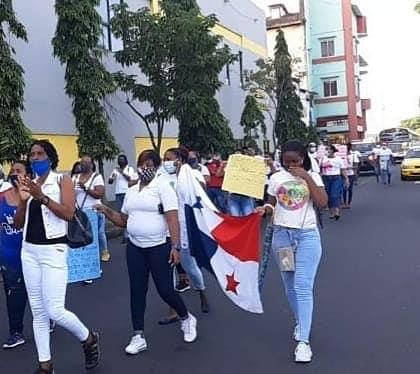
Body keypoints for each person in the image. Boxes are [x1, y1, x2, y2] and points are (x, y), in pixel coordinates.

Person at [96, 150, 197, 355]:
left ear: (157, 166)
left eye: (149, 164)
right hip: (135, 248)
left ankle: (186, 318)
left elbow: (172, 218)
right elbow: (124, 220)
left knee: (165, 290)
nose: (144, 168)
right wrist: (107, 212)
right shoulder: (132, 191)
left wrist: (175, 247)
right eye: (141, 164)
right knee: (137, 290)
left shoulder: (163, 187)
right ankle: (138, 335)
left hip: (159, 246)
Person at [14, 140, 100, 373]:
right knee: (39, 312)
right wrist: (23, 202)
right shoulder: (27, 184)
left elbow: (69, 213)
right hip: (29, 251)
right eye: (32, 154)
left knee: (54, 310)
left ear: (50, 158)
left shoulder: (62, 180)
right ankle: (45, 365)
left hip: (53, 251)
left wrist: (41, 196)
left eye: (40, 154)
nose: (35, 158)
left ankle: (88, 337)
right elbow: (18, 223)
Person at [256, 140, 328, 363]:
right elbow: (271, 204)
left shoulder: (313, 177)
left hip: (306, 236)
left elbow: (323, 202)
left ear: (303, 159)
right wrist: (264, 209)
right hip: (282, 238)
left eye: (295, 161)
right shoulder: (276, 178)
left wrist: (305, 176)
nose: (290, 166)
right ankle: (300, 321)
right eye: (286, 162)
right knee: (289, 284)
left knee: (302, 286)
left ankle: (304, 342)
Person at [160, 147, 210, 322]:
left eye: (169, 158)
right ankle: (173, 309)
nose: (165, 161)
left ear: (179, 160)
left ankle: (201, 291)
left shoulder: (191, 174)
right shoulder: (161, 177)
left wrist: (192, 182)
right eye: (164, 158)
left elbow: (202, 193)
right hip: (164, 227)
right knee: (168, 270)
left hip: (184, 227)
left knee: (190, 268)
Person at [0, 161, 30, 349]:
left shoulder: (34, 198)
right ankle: (16, 332)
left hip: (33, 253)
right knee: (13, 295)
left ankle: (48, 319)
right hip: (9, 255)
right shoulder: (1, 198)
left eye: (19, 171)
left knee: (38, 294)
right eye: (12, 171)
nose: (14, 174)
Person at [73, 156, 109, 263]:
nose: (83, 164)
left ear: (92, 165)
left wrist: (85, 188)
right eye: (82, 162)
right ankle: (87, 256)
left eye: (86, 163)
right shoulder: (75, 177)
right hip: (80, 212)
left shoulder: (96, 177)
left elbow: (99, 194)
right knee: (83, 235)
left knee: (99, 233)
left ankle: (104, 251)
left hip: (94, 211)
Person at [108, 154, 136, 243]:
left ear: (125, 160)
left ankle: (128, 234)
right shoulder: (115, 170)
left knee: (128, 213)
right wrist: (112, 177)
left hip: (127, 193)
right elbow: (110, 182)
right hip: (118, 193)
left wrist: (122, 172)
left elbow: (130, 179)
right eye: (119, 159)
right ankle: (125, 234)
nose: (121, 161)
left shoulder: (130, 169)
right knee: (121, 214)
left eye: (122, 159)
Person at [320, 145, 349, 220]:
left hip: (336, 178)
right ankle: (331, 212)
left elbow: (343, 170)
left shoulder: (339, 159)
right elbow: (319, 169)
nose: (327, 151)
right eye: (326, 150)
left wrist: (346, 179)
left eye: (329, 149)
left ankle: (337, 212)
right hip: (325, 178)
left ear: (333, 151)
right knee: (328, 195)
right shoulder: (323, 159)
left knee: (334, 195)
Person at [343, 144, 356, 209]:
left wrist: (350, 167)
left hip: (351, 174)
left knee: (350, 189)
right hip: (344, 175)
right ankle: (345, 203)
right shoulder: (341, 157)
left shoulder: (352, 156)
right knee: (344, 190)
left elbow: (356, 165)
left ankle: (349, 203)